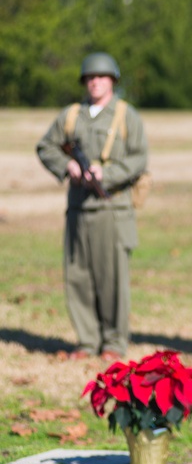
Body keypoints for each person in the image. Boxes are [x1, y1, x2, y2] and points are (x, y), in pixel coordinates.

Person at [37, 52, 149, 362]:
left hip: (112, 209)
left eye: (101, 77)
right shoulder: (71, 115)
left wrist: (107, 174)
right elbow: (45, 146)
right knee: (78, 276)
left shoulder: (127, 115)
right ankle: (87, 342)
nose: (95, 82)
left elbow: (139, 158)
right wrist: (67, 166)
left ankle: (114, 342)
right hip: (78, 209)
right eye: (90, 77)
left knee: (112, 278)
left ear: (112, 80)